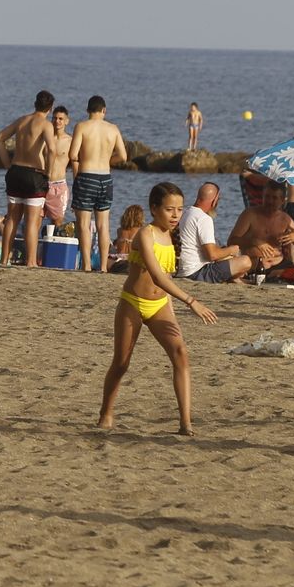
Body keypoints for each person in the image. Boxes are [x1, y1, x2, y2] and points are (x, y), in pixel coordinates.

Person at [98, 182, 219, 435]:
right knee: (121, 363)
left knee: (181, 354)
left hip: (160, 305)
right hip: (132, 303)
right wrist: (191, 301)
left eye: (179, 210)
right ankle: (106, 413)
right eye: (169, 210)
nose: (175, 215)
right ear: (154, 209)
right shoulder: (146, 234)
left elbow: (167, 279)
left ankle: (185, 423)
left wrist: (172, 308)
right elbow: (156, 276)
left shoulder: (172, 235)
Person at [0, 90, 56, 267]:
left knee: (12, 218)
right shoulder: (45, 125)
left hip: (15, 172)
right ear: (50, 108)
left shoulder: (22, 120)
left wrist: (7, 163)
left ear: (35, 104)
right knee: (31, 221)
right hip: (34, 174)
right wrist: (49, 172)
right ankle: (30, 262)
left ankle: (4, 259)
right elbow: (51, 150)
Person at [69, 95, 128, 273]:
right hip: (105, 178)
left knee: (84, 224)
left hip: (86, 176)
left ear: (88, 111)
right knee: (103, 225)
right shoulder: (113, 129)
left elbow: (72, 155)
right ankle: (103, 266)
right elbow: (124, 157)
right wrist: (108, 161)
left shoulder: (82, 126)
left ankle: (86, 265)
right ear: (104, 110)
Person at [176, 182, 256, 284]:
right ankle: (234, 278)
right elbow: (212, 255)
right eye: (218, 200)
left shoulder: (186, 212)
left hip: (182, 270)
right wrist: (232, 250)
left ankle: (236, 280)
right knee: (245, 261)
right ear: (214, 201)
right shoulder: (203, 218)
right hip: (196, 273)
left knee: (228, 257)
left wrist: (226, 254)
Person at [226, 180, 294, 270]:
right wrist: (254, 241)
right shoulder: (250, 214)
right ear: (262, 197)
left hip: (279, 265)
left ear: (282, 200)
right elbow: (231, 241)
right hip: (254, 265)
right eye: (267, 196)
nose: (270, 201)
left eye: (274, 198)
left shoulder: (285, 219)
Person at [44, 106, 72, 229]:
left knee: (58, 222)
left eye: (61, 118)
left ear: (67, 121)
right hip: (43, 183)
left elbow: (77, 163)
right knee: (36, 220)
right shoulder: (46, 139)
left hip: (59, 186)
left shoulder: (70, 141)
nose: (57, 121)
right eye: (55, 118)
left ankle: (56, 246)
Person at [107, 205, 146, 272]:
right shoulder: (141, 231)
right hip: (132, 259)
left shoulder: (119, 230)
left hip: (118, 259)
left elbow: (116, 245)